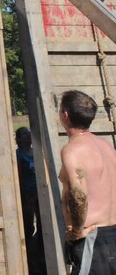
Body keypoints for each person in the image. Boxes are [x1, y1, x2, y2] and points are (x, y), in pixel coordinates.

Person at [58, 90, 116, 274]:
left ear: (65, 115)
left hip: (93, 238)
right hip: (112, 233)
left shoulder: (72, 150)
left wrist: (76, 230)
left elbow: (78, 194)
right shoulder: (106, 146)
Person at [16, 127, 46, 275]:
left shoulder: (36, 152)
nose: (28, 135)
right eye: (24, 134)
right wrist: (24, 197)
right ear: (18, 140)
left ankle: (42, 259)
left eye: (29, 132)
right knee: (28, 227)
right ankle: (30, 262)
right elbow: (19, 177)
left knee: (43, 225)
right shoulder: (18, 155)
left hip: (40, 193)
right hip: (27, 196)